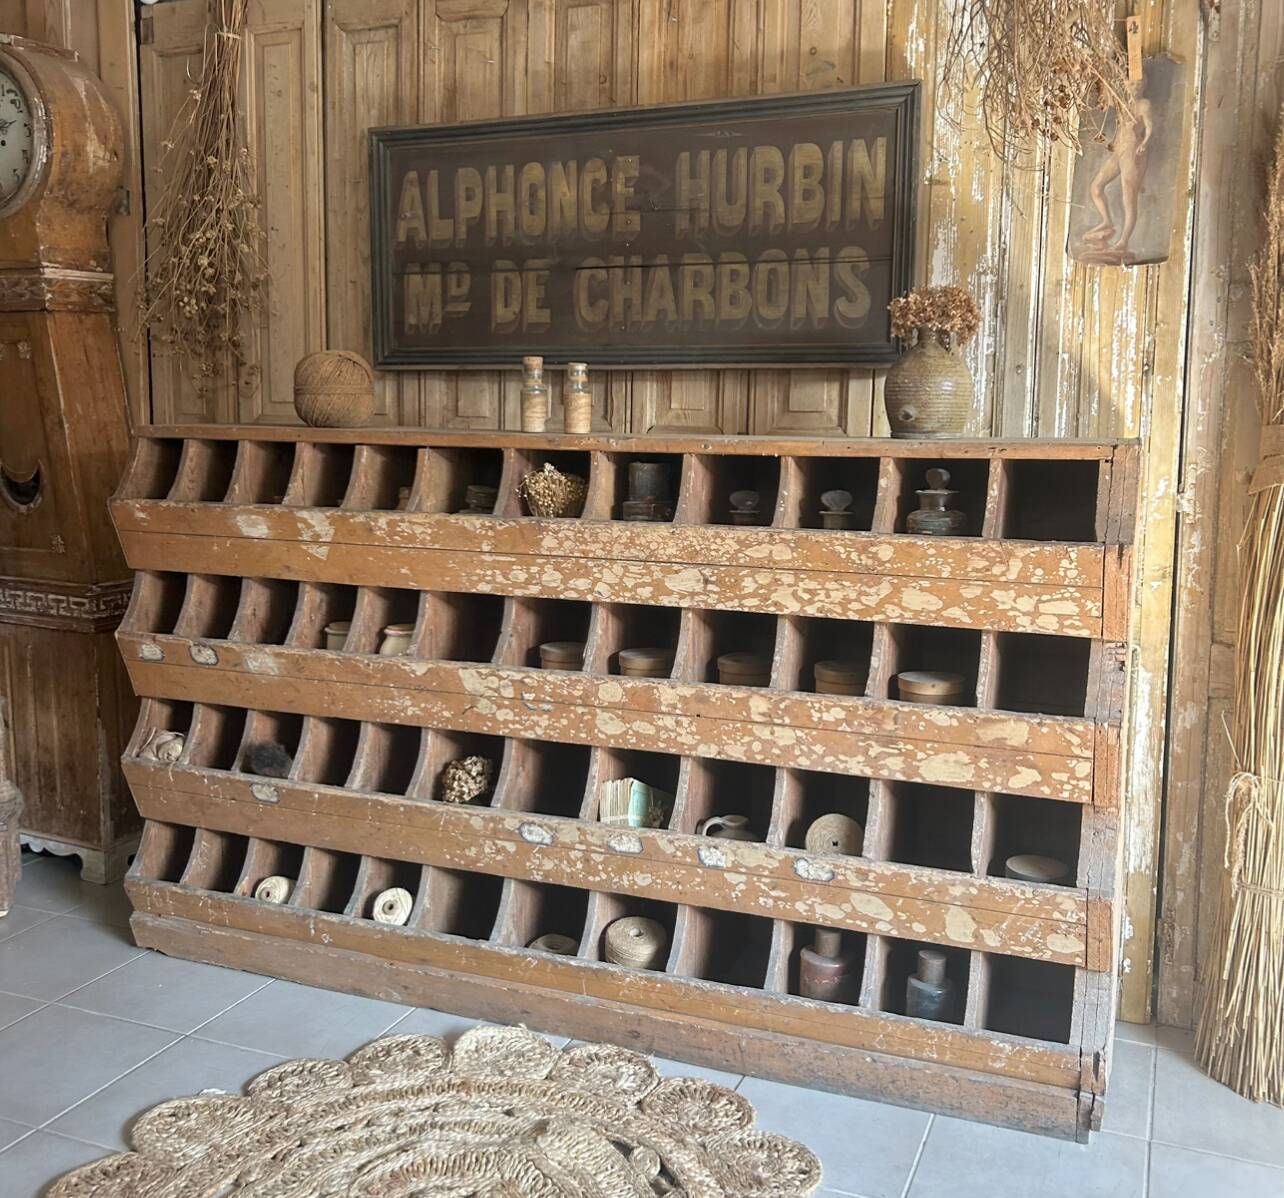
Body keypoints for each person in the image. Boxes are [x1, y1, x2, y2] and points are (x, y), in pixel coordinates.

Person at [1082, 75, 1154, 255]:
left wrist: (1144, 143)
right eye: (1131, 84)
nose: (1135, 87)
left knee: (1128, 196)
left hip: (1132, 150)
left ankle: (1123, 241)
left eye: (1139, 84)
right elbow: (1107, 100)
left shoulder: (1144, 104)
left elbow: (1150, 127)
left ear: (1144, 85)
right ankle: (1107, 221)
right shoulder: (1122, 103)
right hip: (1118, 151)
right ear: (1125, 85)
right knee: (1096, 187)